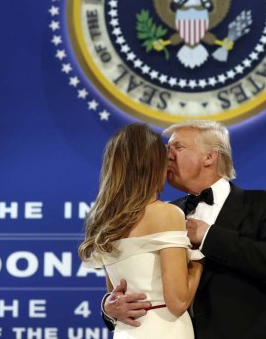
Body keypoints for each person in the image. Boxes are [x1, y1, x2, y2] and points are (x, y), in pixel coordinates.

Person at [103, 120, 266, 339]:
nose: (168, 155)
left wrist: (208, 236)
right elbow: (131, 280)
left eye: (178, 147)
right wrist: (109, 308)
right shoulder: (162, 213)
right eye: (167, 148)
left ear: (210, 157)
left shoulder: (265, 205)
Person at [80, 123, 204, 338]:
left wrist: (108, 308)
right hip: (166, 329)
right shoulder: (167, 214)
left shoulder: (103, 219)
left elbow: (116, 292)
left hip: (127, 331)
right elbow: (178, 302)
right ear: (153, 165)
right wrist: (200, 260)